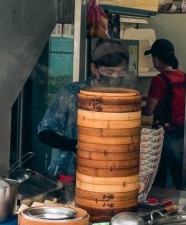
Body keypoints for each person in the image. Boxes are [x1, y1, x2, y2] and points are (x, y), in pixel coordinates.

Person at [37, 39, 130, 179]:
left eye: (121, 72)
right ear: (94, 68)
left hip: (110, 172)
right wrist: (76, 145)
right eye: (109, 72)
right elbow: (44, 132)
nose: (115, 77)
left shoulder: (125, 98)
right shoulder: (72, 92)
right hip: (69, 172)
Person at [142, 39, 186, 189]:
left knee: (159, 178)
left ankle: (157, 205)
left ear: (156, 59)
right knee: (179, 177)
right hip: (182, 133)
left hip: (163, 136)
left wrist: (131, 108)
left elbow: (148, 111)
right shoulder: (184, 76)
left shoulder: (159, 80)